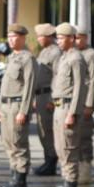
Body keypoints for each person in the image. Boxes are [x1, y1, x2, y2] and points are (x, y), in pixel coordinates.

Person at [0, 24, 37, 187]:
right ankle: (14, 175)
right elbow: (4, 86)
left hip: (17, 106)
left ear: (23, 38)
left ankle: (20, 179)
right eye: (9, 37)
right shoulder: (12, 57)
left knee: (18, 142)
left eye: (15, 37)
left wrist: (24, 111)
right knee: (8, 142)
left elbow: (29, 86)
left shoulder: (27, 58)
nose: (11, 40)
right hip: (5, 105)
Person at [49, 23, 87, 187]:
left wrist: (73, 113)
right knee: (60, 149)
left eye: (61, 38)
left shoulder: (76, 59)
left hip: (67, 108)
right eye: (57, 37)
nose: (58, 41)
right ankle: (66, 186)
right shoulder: (64, 58)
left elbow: (80, 87)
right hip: (59, 107)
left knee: (69, 149)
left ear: (71, 39)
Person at [33, 23, 61, 176]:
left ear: (49, 37)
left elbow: (57, 76)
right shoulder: (44, 52)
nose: (38, 39)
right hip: (40, 95)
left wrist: (52, 100)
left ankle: (51, 161)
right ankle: (47, 159)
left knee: (48, 130)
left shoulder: (55, 52)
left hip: (48, 95)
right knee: (42, 129)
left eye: (40, 36)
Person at [75, 28, 94, 185]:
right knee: (74, 137)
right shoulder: (72, 54)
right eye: (75, 38)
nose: (77, 41)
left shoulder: (91, 55)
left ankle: (85, 167)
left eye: (80, 38)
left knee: (84, 136)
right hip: (74, 102)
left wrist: (90, 104)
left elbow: (93, 81)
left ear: (86, 38)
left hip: (85, 101)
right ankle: (76, 166)